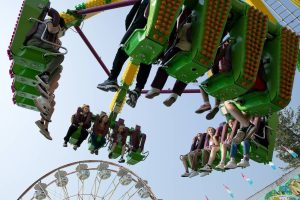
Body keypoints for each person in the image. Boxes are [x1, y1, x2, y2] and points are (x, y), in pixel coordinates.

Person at [97, 0, 151, 108]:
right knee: (147, 58)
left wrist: (128, 30)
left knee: (122, 50)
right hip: (158, 33)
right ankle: (138, 90)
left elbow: (130, 17)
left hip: (139, 25)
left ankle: (112, 78)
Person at [145, 7, 193, 107]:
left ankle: (156, 88)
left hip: (180, 49)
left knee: (165, 66)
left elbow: (177, 34)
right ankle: (174, 95)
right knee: (185, 75)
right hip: (193, 55)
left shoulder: (187, 26)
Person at [25, 7, 66, 93]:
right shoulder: (48, 21)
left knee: (59, 68)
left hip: (41, 45)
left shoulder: (51, 37)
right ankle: (44, 75)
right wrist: (58, 28)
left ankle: (44, 84)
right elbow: (51, 29)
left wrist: (56, 44)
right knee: (60, 56)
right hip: (35, 42)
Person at [223, 62, 267, 144]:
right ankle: (242, 130)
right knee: (244, 109)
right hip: (260, 88)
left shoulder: (243, 66)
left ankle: (247, 125)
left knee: (227, 103)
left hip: (252, 86)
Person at [195, 40, 232, 120]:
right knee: (210, 80)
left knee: (202, 83)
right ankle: (215, 105)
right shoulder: (226, 47)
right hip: (221, 71)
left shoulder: (224, 47)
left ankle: (207, 103)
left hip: (223, 72)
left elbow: (216, 61)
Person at [34, 66, 62, 140]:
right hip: (45, 86)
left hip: (46, 89)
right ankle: (44, 126)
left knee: (52, 104)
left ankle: (43, 124)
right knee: (58, 73)